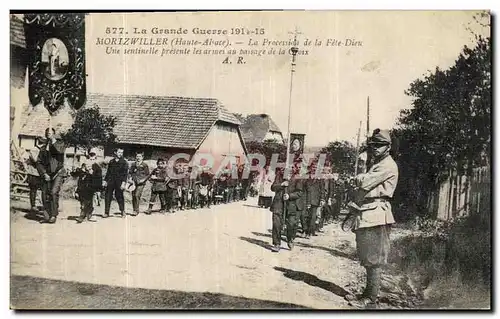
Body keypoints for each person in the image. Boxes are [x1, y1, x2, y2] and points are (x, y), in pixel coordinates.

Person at [345, 129, 399, 308]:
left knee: (374, 259)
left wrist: (359, 175)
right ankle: (368, 294)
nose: (375, 148)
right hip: (369, 213)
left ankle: (371, 298)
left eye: (380, 145)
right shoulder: (378, 163)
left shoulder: (387, 165)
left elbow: (364, 182)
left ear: (388, 147)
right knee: (367, 257)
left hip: (377, 214)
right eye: (373, 145)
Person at [269, 162, 304, 252]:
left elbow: (299, 192)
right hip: (278, 204)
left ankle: (290, 239)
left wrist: (290, 196)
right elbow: (273, 187)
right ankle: (276, 244)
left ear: (294, 169)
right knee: (276, 224)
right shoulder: (279, 176)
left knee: (291, 225)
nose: (288, 169)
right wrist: (281, 185)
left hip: (291, 205)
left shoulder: (297, 178)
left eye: (291, 167)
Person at [36, 128, 66, 224]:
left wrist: (53, 142)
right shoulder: (43, 148)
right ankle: (47, 215)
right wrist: (44, 173)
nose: (49, 134)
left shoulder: (60, 144)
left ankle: (53, 215)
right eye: (47, 133)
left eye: (51, 133)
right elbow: (39, 162)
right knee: (45, 194)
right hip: (47, 174)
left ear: (54, 134)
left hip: (58, 173)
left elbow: (59, 151)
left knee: (53, 192)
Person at [74, 159, 102, 223]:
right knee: (84, 201)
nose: (88, 167)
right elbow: (77, 178)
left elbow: (98, 181)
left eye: (90, 166)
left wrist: (92, 175)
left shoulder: (95, 171)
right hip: (82, 190)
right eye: (87, 165)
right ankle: (88, 213)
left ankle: (82, 215)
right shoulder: (83, 172)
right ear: (84, 166)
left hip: (91, 189)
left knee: (87, 200)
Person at [103, 148, 128, 218]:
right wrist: (105, 181)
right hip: (111, 181)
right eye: (119, 152)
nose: (121, 154)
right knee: (108, 196)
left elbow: (125, 174)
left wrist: (123, 183)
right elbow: (108, 172)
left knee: (119, 196)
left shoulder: (124, 162)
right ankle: (106, 212)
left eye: (122, 152)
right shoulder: (111, 162)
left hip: (119, 182)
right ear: (115, 153)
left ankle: (122, 211)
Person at [304, 161, 324, 238]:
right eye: (313, 167)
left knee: (313, 216)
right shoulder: (306, 176)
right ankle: (305, 229)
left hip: (315, 199)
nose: (314, 169)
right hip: (306, 198)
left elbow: (322, 189)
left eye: (316, 168)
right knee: (304, 216)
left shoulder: (320, 178)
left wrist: (322, 199)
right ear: (310, 168)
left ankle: (309, 232)